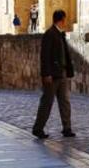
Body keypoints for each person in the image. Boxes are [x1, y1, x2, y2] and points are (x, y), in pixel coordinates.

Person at [32, 9, 75, 139]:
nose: (65, 22)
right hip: (52, 75)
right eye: (64, 20)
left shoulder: (60, 34)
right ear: (61, 20)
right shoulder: (49, 34)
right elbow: (44, 56)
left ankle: (67, 128)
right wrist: (46, 74)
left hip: (61, 73)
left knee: (65, 102)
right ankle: (38, 128)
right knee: (47, 102)